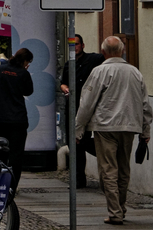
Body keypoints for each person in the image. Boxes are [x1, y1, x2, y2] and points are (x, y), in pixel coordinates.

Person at [75, 36, 152, 226]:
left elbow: (87, 103)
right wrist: (145, 130)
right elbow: (145, 104)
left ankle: (115, 212)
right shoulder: (135, 72)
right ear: (122, 51)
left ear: (103, 52)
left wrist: (78, 128)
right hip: (129, 126)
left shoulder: (100, 71)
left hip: (105, 126)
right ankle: (121, 208)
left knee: (108, 170)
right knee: (123, 169)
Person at [60, 34, 106, 188]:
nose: (75, 47)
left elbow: (105, 58)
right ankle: (78, 180)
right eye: (72, 45)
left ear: (83, 45)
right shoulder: (68, 65)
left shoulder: (93, 60)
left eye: (77, 44)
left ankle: (105, 152)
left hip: (87, 109)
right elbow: (63, 82)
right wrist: (64, 87)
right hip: (71, 108)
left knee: (82, 141)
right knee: (73, 146)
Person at [0, 46, 34, 190]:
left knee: (1, 152)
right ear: (24, 60)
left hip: (2, 118)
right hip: (18, 119)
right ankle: (12, 186)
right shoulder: (23, 74)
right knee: (16, 155)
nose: (28, 65)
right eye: (29, 62)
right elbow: (29, 91)